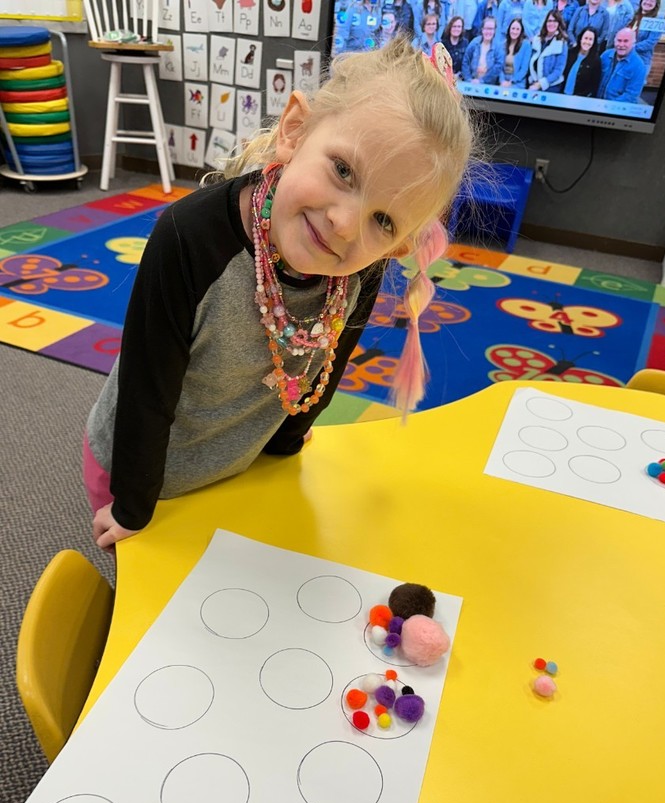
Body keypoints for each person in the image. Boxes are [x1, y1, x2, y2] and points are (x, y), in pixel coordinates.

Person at [84, 39, 473, 550]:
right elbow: (146, 384)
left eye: (382, 220)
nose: (343, 223)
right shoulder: (190, 235)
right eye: (343, 171)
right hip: (138, 473)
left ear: (400, 243)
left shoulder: (362, 266)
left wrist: (287, 440)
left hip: (241, 464)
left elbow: (328, 364)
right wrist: (134, 503)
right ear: (295, 130)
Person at [597, 25, 646, 101]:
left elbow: (631, 96)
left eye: (626, 41)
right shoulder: (605, 55)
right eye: (619, 40)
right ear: (614, 41)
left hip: (616, 108)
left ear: (633, 43)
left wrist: (607, 106)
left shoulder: (639, 66)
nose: (621, 45)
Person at [528, 9, 568, 90]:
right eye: (549, 21)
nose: (551, 24)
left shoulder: (562, 43)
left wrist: (540, 84)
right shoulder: (537, 39)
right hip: (534, 81)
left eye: (555, 21)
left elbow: (558, 71)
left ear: (559, 24)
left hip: (552, 85)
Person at [462, 15, 503, 80]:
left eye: (491, 29)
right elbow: (466, 62)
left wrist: (482, 81)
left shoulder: (498, 47)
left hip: (488, 84)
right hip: (471, 81)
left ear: (495, 30)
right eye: (486, 28)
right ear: (482, 29)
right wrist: (469, 79)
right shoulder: (474, 43)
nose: (488, 32)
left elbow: (498, 67)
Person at [563, 26, 602, 94]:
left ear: (593, 42)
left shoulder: (596, 61)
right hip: (561, 94)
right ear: (580, 39)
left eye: (590, 39)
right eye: (585, 38)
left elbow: (593, 86)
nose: (587, 42)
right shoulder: (569, 53)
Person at [628, 0, 662, 70]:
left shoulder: (657, 20)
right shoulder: (633, 15)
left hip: (641, 59)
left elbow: (651, 42)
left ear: (656, 4)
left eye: (652, 1)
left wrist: (630, 47)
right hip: (626, 57)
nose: (648, 2)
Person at [498, 17, 532, 85]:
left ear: (521, 31)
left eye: (517, 29)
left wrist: (512, 81)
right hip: (503, 80)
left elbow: (524, 70)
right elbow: (499, 67)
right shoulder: (502, 44)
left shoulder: (526, 45)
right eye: (513, 28)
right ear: (509, 29)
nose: (514, 31)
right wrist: (502, 81)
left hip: (518, 82)